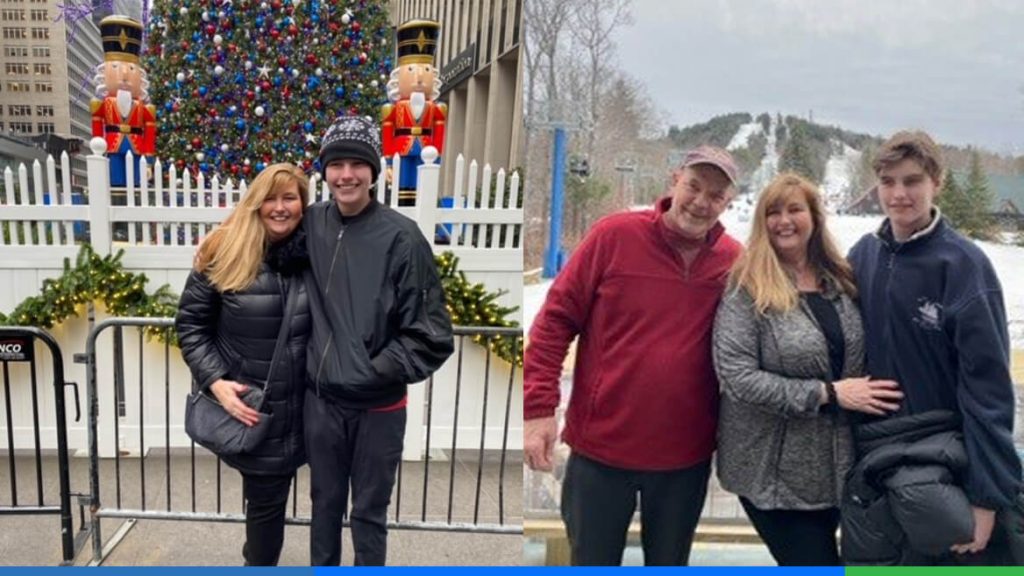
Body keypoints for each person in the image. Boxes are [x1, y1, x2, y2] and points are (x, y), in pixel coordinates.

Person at [524, 146, 744, 566]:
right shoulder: (614, 236)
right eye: (694, 186)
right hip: (601, 450)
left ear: (727, 203)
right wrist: (538, 410)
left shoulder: (734, 262)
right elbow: (554, 322)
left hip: (684, 457)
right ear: (674, 180)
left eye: (715, 195)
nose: (700, 202)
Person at [846, 130, 1022, 564]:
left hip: (947, 468)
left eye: (912, 181)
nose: (899, 194)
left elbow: (988, 392)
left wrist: (987, 498)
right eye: (888, 182)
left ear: (936, 182)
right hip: (878, 465)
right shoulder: (863, 256)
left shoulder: (963, 266)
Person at [711, 173, 903, 566]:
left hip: (837, 468)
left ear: (814, 217)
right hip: (770, 472)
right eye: (773, 212)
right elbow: (736, 376)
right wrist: (827, 394)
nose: (784, 220)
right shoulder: (746, 287)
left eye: (795, 209)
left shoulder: (840, 281)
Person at [303, 115, 455, 566]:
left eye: (357, 164)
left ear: (375, 171)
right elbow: (256, 236)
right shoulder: (310, 225)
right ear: (325, 172)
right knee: (324, 508)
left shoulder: (402, 237)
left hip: (378, 408)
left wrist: (375, 370)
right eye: (336, 165)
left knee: (368, 513)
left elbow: (431, 333)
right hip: (323, 403)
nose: (346, 175)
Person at [175, 163, 311, 566]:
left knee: (330, 503)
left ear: (304, 204)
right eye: (271, 197)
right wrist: (216, 382)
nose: (280, 207)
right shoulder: (224, 250)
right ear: (255, 202)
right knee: (266, 512)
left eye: (290, 197)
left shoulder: (318, 251)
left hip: (313, 408)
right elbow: (191, 326)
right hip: (257, 408)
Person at [382, 19, 447, 202]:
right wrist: (388, 162)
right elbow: (388, 133)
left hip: (426, 148)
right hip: (401, 148)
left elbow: (440, 131)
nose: (418, 78)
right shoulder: (392, 108)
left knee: (423, 187)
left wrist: (438, 155)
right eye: (411, 70)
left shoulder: (437, 108)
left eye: (425, 70)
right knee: (402, 185)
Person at [91, 15, 156, 187]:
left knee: (137, 183)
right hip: (113, 147)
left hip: (136, 148)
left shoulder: (144, 108)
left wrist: (149, 159)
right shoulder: (104, 104)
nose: (125, 75)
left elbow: (149, 132)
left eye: (131, 69)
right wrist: (98, 150)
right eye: (116, 68)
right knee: (116, 181)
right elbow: (97, 126)